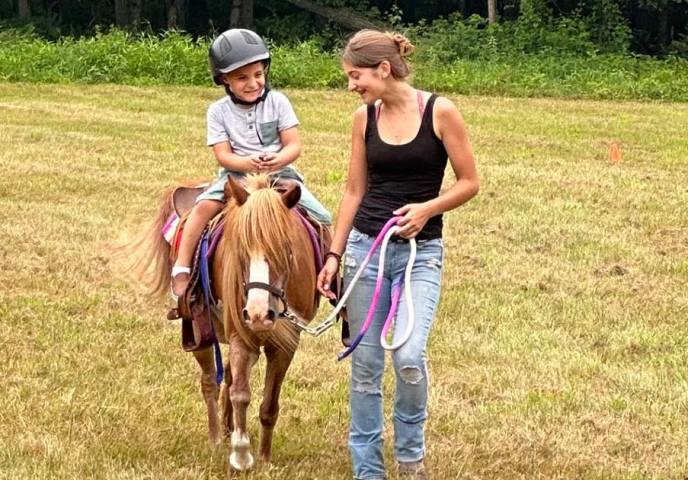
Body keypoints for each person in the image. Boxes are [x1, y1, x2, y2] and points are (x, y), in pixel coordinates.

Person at [316, 30, 479, 480]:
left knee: (408, 356)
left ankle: (411, 457)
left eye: (356, 76)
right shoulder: (363, 118)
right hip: (365, 251)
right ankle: (367, 469)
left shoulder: (439, 112)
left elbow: (469, 182)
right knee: (365, 365)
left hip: (419, 255)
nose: (351, 85)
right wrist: (333, 255)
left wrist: (427, 209)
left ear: (383, 69)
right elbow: (354, 191)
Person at [171, 28, 332, 298]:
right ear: (224, 80)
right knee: (201, 210)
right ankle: (183, 267)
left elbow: (294, 145)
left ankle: (334, 277)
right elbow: (223, 155)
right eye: (241, 78)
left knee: (323, 217)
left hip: (280, 175)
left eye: (258, 75)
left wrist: (278, 159)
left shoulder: (278, 102)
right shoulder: (218, 111)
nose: (253, 83)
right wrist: (246, 163)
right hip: (236, 178)